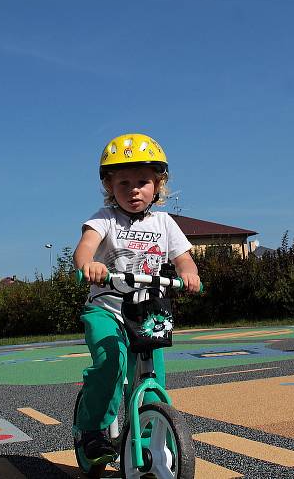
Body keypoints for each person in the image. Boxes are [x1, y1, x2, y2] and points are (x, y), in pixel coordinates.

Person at [72, 133, 201, 465]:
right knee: (110, 363)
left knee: (152, 375)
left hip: (147, 312)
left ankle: (145, 432)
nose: (133, 189)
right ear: (109, 186)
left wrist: (189, 273)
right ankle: (92, 431)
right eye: (124, 182)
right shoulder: (104, 219)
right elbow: (84, 249)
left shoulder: (165, 222)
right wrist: (90, 265)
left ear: (157, 185)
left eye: (142, 181)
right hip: (107, 310)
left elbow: (185, 258)